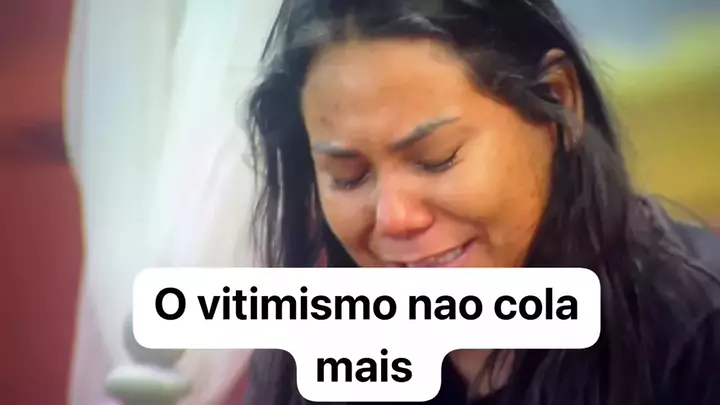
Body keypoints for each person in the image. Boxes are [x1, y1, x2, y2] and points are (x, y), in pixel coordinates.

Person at [240, 0, 720, 404]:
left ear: (558, 101)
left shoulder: (696, 333)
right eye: (349, 177)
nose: (394, 219)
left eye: (437, 159)